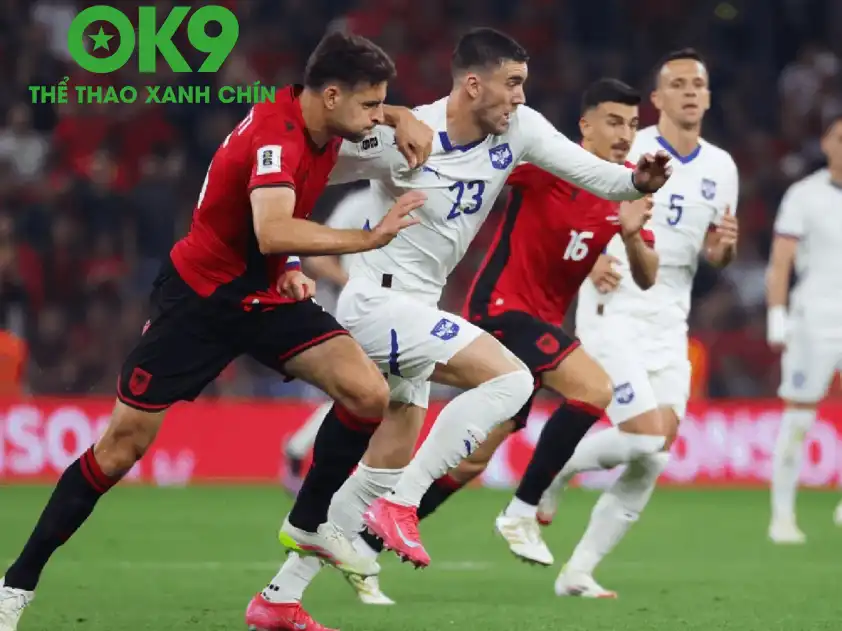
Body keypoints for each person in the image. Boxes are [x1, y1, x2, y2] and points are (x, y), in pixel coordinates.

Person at [0, 31, 435, 631]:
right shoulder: (277, 137)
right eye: (370, 105)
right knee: (121, 448)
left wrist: (401, 114)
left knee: (367, 394)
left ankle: (308, 524)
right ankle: (16, 584)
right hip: (199, 302)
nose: (375, 118)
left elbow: (282, 219)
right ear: (332, 96)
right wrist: (368, 238)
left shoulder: (321, 120)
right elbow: (272, 230)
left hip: (264, 297)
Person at [247, 29, 671, 631]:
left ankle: (279, 597)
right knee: (511, 380)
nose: (520, 97)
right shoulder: (404, 137)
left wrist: (639, 183)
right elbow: (300, 175)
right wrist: (288, 260)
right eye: (512, 84)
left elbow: (600, 177)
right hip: (376, 303)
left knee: (378, 469)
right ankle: (404, 504)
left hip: (419, 308)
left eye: (523, 84)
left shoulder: (521, 131)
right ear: (474, 84)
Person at [341, 77, 659, 605]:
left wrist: (627, 236)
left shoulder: (626, 188)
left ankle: (364, 545)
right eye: (613, 121)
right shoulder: (543, 163)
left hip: (543, 328)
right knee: (592, 389)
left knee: (471, 462)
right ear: (585, 126)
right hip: (501, 311)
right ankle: (524, 509)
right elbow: (478, 171)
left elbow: (647, 276)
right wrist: (408, 125)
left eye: (631, 123)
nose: (625, 133)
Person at [537, 48, 739, 598]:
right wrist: (589, 260)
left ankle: (578, 572)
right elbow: (564, 207)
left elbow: (715, 256)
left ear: (708, 97)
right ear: (657, 98)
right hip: (616, 303)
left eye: (698, 84)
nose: (690, 91)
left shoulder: (722, 167)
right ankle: (554, 468)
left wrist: (723, 250)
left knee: (654, 456)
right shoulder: (630, 146)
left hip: (671, 316)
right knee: (645, 437)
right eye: (678, 83)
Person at [766, 114, 842, 543]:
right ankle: (782, 517)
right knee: (798, 418)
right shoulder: (804, 195)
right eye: (840, 138)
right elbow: (781, 261)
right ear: (826, 143)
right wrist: (777, 315)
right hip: (814, 320)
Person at [281, 186, 372, 496]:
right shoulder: (359, 204)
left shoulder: (416, 201)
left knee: (366, 391)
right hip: (359, 311)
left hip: (394, 311)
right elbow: (318, 259)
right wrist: (353, 284)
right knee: (369, 390)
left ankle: (300, 448)